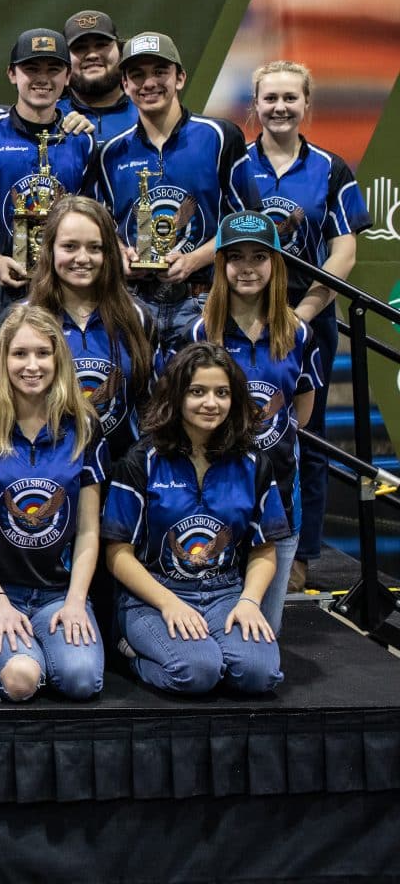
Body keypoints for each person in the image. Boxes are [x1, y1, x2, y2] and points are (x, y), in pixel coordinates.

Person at [244, 59, 369, 592]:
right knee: (244, 432)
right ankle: (245, 547)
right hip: (245, 315)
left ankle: (301, 555)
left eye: (289, 98)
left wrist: (302, 316)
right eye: (269, 98)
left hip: (307, 316)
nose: (279, 107)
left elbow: (345, 252)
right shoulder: (236, 165)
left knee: (305, 439)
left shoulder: (332, 168)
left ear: (306, 105)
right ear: (255, 105)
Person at [102, 342, 287, 695]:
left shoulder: (253, 463)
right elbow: (117, 553)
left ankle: (214, 654)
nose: (210, 403)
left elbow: (264, 549)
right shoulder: (141, 461)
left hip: (225, 593)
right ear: (176, 396)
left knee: (258, 675)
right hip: (154, 595)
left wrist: (249, 601)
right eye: (197, 392)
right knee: (197, 671)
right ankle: (131, 653)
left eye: (222, 393)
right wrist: (169, 603)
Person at [0, 306, 108, 702]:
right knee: (21, 680)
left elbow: (88, 531)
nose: (31, 365)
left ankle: (38, 650)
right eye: (19, 354)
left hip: (57, 592)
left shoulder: (85, 426)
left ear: (59, 359)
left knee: (81, 680)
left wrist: (74, 602)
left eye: (42, 353)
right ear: (2, 359)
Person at [184, 210, 320, 632]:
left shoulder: (297, 332)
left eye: (259, 257)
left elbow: (302, 408)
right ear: (220, 264)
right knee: (217, 634)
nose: (247, 268)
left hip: (278, 492)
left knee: (264, 633)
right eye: (236, 256)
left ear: (275, 264)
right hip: (217, 495)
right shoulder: (199, 333)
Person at [89, 32, 261, 352]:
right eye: (137, 75)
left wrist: (195, 259)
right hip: (132, 299)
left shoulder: (220, 137)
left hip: (202, 297)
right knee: (138, 400)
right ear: (125, 85)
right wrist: (119, 254)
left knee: (199, 398)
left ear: (180, 78)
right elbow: (99, 225)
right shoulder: (109, 152)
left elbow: (248, 221)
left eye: (159, 72)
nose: (148, 83)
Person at [0, 28, 98, 358]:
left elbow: (94, 221)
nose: (42, 79)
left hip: (65, 286)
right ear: (12, 74)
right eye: (31, 69)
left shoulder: (84, 139)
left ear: (68, 76)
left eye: (53, 69)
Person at [0, 195, 158, 463]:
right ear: (50, 249)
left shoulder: (138, 318)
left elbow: (152, 407)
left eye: (95, 248)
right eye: (69, 246)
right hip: (47, 473)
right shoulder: (17, 320)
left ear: (109, 254)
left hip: (119, 475)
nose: (82, 258)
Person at [57, 10, 138, 143]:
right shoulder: (49, 118)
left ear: (120, 52)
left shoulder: (148, 114)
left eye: (101, 45)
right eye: (80, 47)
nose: (92, 55)